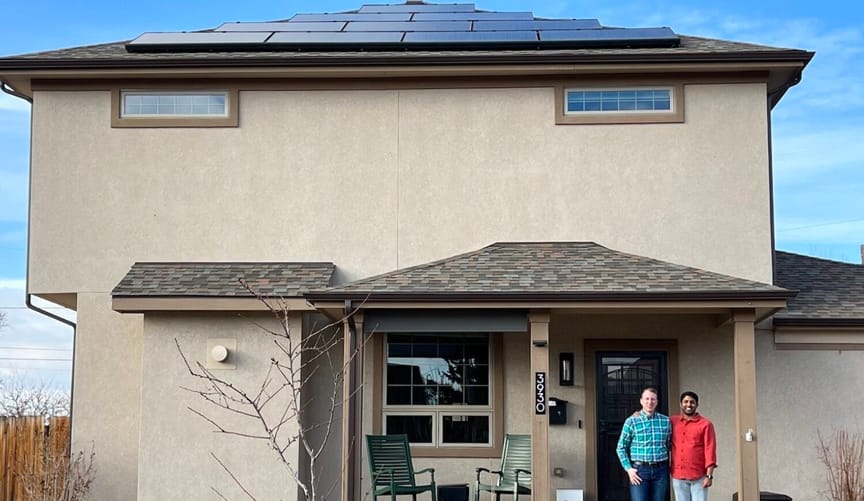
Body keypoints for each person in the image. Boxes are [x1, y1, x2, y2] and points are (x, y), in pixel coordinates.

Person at [616, 387, 672, 501]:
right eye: (646, 399)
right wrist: (628, 469)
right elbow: (621, 447)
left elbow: (670, 445)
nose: (649, 402)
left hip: (661, 470)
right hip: (639, 471)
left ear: (657, 402)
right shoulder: (631, 421)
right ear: (641, 401)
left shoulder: (666, 421)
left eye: (653, 399)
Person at [670, 391, 717, 501]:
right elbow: (656, 420)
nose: (689, 405)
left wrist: (709, 476)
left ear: (697, 405)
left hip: (699, 476)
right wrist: (638, 413)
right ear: (681, 404)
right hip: (678, 475)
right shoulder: (672, 421)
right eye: (685, 402)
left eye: (692, 402)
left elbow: (710, 450)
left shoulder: (706, 424)